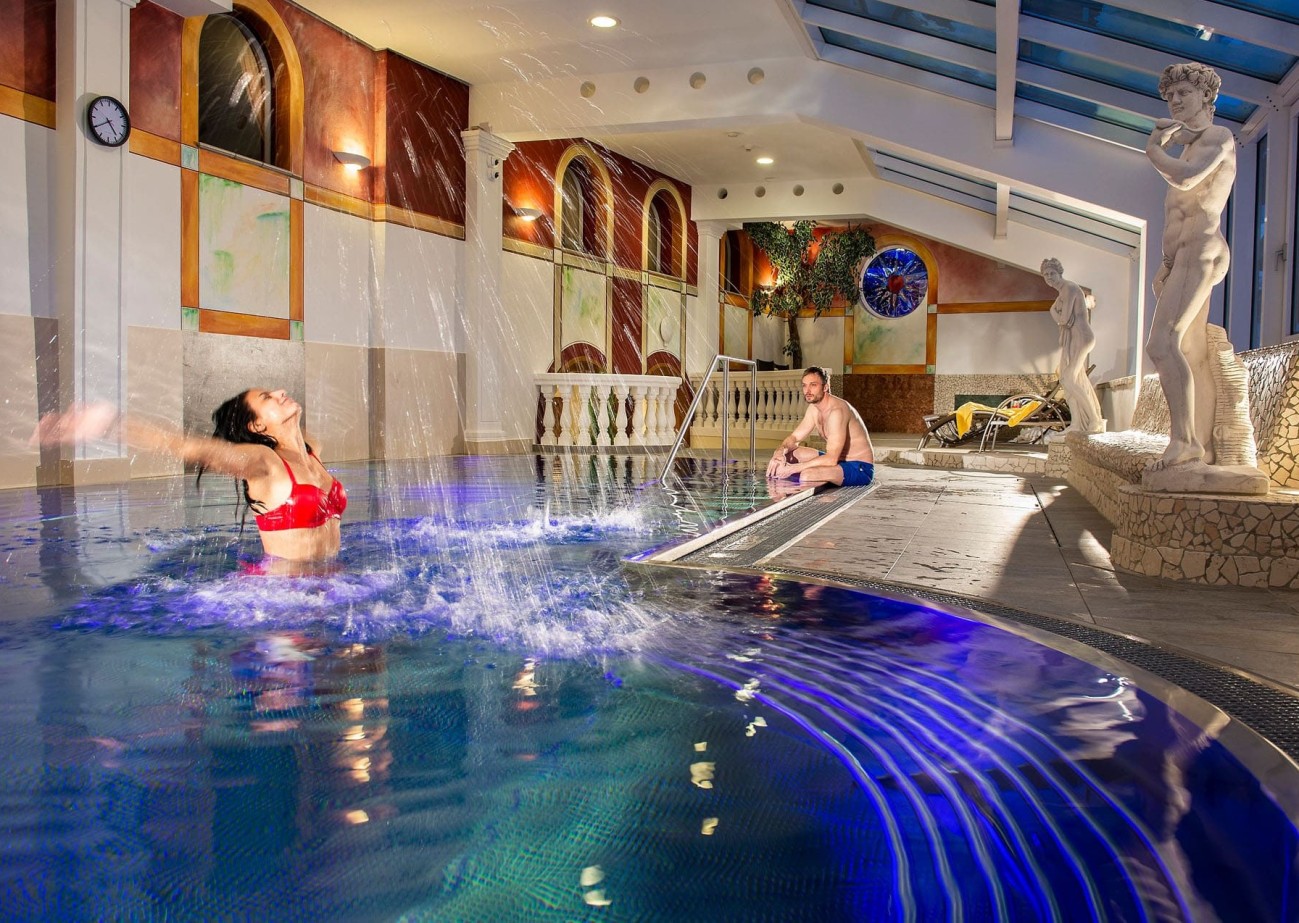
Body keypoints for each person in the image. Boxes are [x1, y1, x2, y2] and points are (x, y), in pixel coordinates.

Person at [32, 388, 346, 563]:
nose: (280, 391)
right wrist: (109, 425)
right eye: (267, 398)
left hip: (330, 589)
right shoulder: (264, 463)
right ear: (257, 426)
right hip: (284, 600)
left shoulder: (312, 450)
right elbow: (188, 447)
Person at [1144, 62, 1235, 471]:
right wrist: (1165, 262)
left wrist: (1153, 150)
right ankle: (1203, 445)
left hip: (1200, 250)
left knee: (1161, 344)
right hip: (1182, 256)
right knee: (1192, 352)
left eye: (1183, 93)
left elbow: (1186, 181)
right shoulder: (1189, 145)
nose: (1175, 101)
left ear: (1205, 96)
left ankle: (1185, 441)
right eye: (1170, 96)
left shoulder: (1219, 137)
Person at [765, 367, 875, 487]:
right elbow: (795, 438)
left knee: (807, 475)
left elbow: (831, 459)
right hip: (838, 461)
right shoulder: (814, 409)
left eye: (813, 385)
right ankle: (822, 476)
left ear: (825, 387)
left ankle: (821, 477)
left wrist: (793, 469)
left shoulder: (836, 411)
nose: (808, 390)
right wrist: (779, 453)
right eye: (804, 385)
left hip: (859, 467)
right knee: (789, 455)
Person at [1041, 258, 1104, 436]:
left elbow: (1064, 319)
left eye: (1051, 273)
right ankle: (1077, 422)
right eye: (1045, 275)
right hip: (1074, 338)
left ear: (1059, 272)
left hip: (1082, 337)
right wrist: (1054, 310)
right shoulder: (1062, 293)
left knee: (1069, 378)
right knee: (1067, 380)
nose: (1049, 277)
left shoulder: (1069, 288)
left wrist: (1053, 311)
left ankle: (1094, 420)